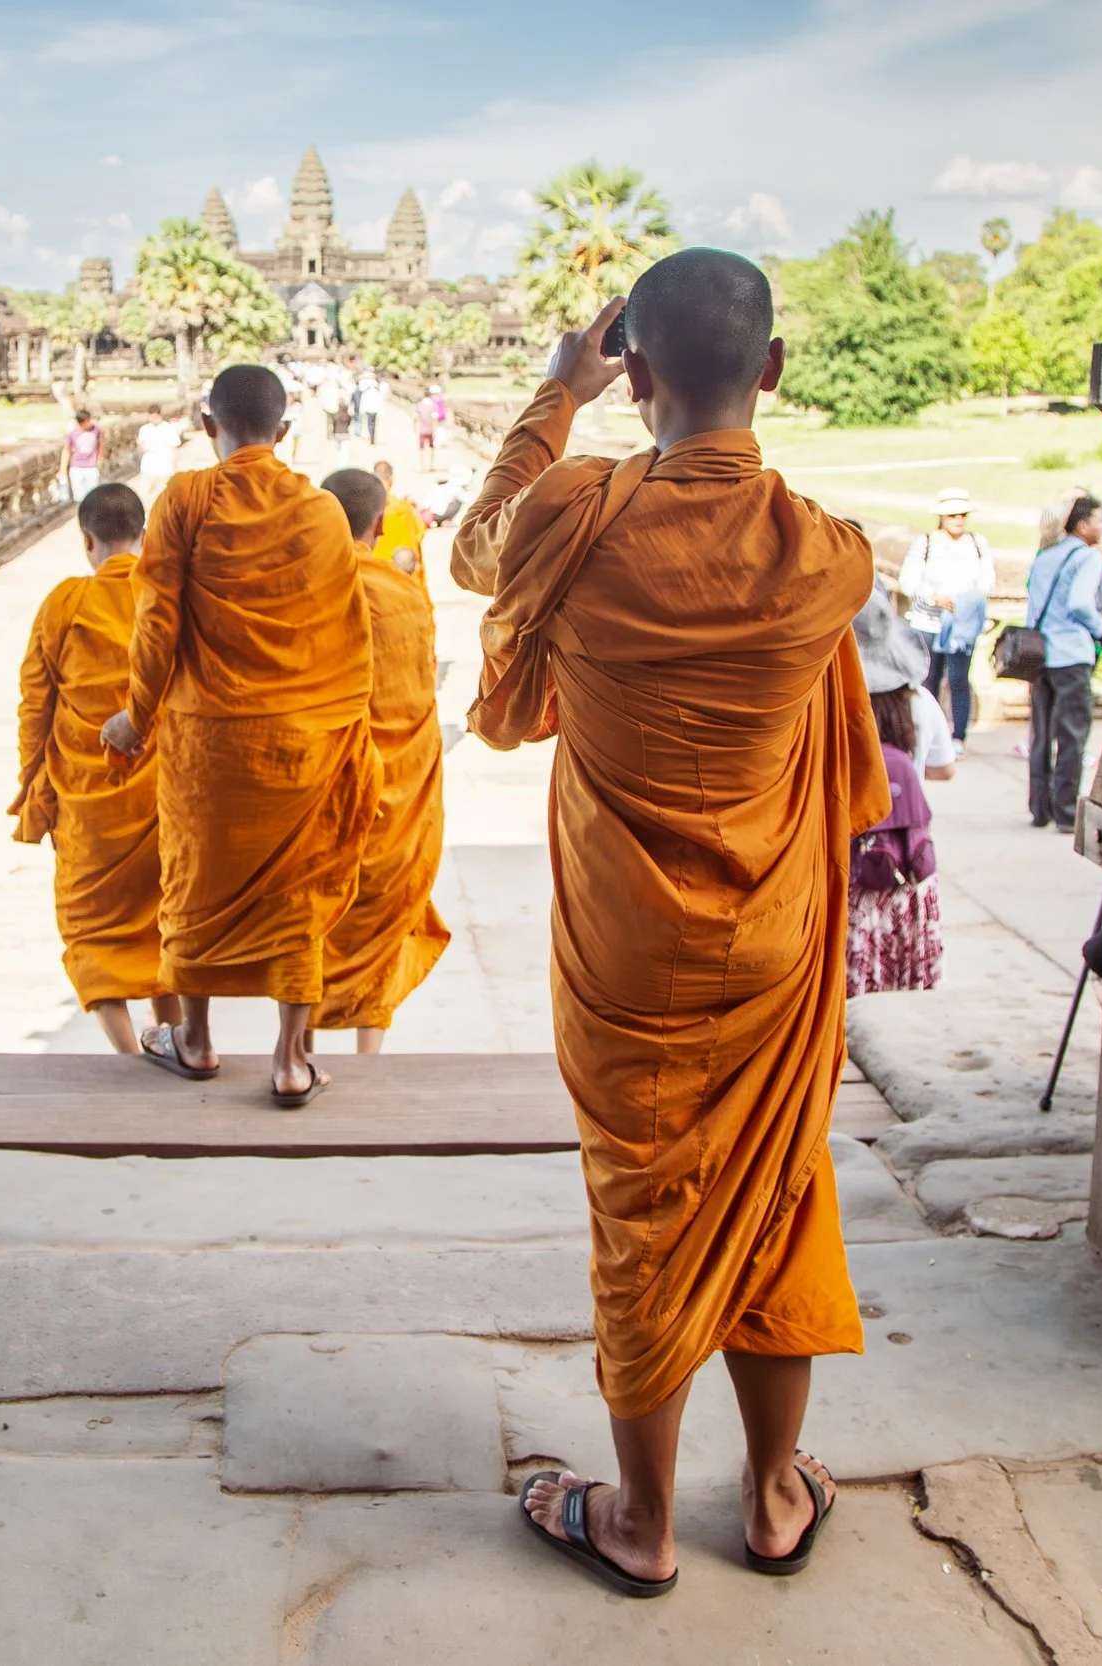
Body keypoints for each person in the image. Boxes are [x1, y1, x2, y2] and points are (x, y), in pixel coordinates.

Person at [452, 253, 884, 1594]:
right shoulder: (831, 557)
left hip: (629, 943)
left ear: (633, 375)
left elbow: (474, 550)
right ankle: (768, 1495)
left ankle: (639, 1518)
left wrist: (551, 399)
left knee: (646, 1199)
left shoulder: (573, 513)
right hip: (773, 940)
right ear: (773, 370)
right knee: (777, 1182)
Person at [101, 364, 376, 1107]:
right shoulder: (321, 511)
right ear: (284, 432)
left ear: (207, 423)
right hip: (301, 739)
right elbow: (344, 631)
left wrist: (137, 715)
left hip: (210, 740)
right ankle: (290, 1061)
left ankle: (194, 1040)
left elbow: (157, 620)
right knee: (297, 887)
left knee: (194, 881)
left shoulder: (185, 497)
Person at [11, 483, 182, 1052]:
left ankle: (130, 1052)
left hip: (85, 800)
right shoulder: (168, 596)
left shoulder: (65, 603)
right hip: (165, 794)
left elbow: (36, 705)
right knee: (166, 915)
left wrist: (33, 786)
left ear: (87, 541)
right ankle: (175, 1033)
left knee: (92, 927)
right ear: (146, 533)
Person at [313, 467, 450, 1051]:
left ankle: (297, 1050)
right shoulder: (404, 600)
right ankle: (370, 1051)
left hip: (322, 785)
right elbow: (418, 700)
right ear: (378, 524)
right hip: (396, 783)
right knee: (384, 907)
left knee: (314, 912)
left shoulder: (301, 592)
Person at [847, 589, 949, 996]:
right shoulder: (921, 702)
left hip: (850, 868)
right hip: (907, 865)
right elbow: (945, 767)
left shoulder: (835, 706)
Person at [1023, 494, 1102, 833]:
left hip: (1041, 653)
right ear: (1082, 525)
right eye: (1099, 521)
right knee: (1073, 736)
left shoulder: (1046, 557)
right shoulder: (1089, 558)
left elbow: (1033, 605)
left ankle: (1039, 807)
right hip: (1071, 654)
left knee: (1042, 733)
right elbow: (1080, 602)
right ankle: (1065, 812)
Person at [892, 488, 993, 743]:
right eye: (952, 515)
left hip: (960, 623)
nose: (958, 520)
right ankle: (928, 734)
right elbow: (909, 581)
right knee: (929, 680)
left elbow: (986, 580)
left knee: (959, 679)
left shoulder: (977, 544)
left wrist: (966, 600)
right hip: (929, 620)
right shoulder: (925, 543)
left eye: (962, 515)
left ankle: (958, 735)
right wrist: (933, 597)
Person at [369, 459, 427, 576]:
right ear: (391, 480)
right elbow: (418, 534)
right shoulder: (404, 509)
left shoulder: (366, 509)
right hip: (401, 572)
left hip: (374, 571)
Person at [136, 404, 181, 504]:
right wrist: (139, 445)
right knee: (143, 497)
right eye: (151, 417)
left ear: (160, 415)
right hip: (148, 469)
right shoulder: (144, 430)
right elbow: (140, 450)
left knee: (163, 500)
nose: (153, 419)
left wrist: (173, 468)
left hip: (164, 470)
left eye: (155, 417)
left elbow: (174, 449)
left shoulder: (169, 429)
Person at [62, 408, 103, 502]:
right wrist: (63, 469)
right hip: (76, 467)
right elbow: (66, 450)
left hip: (91, 466)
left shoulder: (96, 429)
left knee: (93, 496)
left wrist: (100, 459)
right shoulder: (72, 433)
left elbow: (100, 444)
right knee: (79, 498)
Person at [413, 384, 443, 466]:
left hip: (422, 430)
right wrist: (434, 431)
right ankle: (431, 465)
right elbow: (434, 420)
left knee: (422, 449)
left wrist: (415, 428)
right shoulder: (433, 406)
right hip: (430, 429)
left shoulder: (419, 405)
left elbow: (416, 418)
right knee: (431, 448)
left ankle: (422, 465)